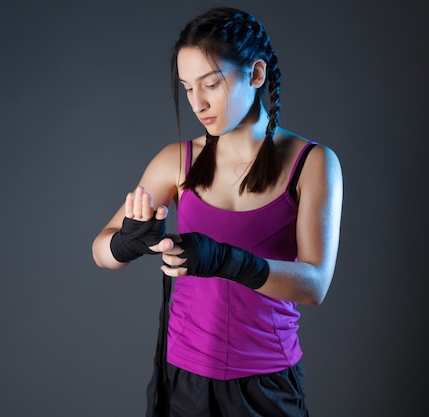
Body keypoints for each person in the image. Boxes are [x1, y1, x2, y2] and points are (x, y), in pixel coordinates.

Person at [92, 6, 343, 417]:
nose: (198, 102)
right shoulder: (177, 160)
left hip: (267, 381)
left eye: (210, 83)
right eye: (188, 88)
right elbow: (100, 251)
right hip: (182, 378)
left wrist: (224, 260)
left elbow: (315, 285)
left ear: (256, 74)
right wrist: (127, 243)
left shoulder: (313, 163)